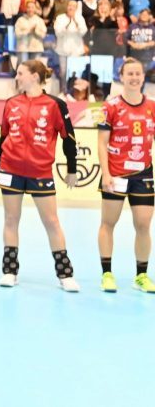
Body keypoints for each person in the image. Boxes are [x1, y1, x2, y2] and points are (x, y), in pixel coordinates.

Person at [0, 60, 81, 291]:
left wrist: (72, 168)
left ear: (34, 76)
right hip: (10, 169)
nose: (17, 76)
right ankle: (9, 271)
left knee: (52, 222)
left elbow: (69, 139)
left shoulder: (56, 105)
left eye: (20, 73)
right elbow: (3, 136)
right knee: (11, 220)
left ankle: (65, 275)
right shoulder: (11, 103)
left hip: (40, 172)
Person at [96, 58, 155, 293]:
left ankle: (141, 276)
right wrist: (106, 174)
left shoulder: (152, 106)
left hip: (143, 174)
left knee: (143, 224)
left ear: (143, 77)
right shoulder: (110, 106)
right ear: (122, 77)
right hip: (116, 173)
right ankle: (107, 274)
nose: (134, 77)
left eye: (137, 73)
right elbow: (102, 143)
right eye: (129, 73)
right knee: (108, 223)